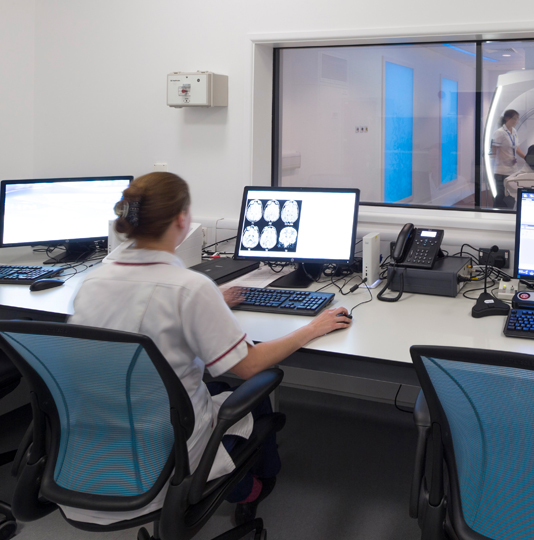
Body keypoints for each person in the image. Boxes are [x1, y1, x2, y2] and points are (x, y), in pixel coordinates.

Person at [65, 172, 352, 526]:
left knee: (218, 386)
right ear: (182, 220)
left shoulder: (93, 281)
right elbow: (248, 366)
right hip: (168, 445)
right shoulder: (189, 288)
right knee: (254, 386)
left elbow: (144, 310)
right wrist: (313, 327)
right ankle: (252, 487)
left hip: (98, 440)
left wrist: (208, 302)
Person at [491, 109, 525, 208]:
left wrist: (526, 157)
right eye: (514, 119)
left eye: (517, 119)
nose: (516, 121)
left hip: (512, 171)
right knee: (502, 197)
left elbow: (516, 148)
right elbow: (493, 151)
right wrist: (502, 160)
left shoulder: (514, 131)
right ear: (507, 118)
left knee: (511, 197)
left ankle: (507, 214)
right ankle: (498, 215)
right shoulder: (499, 133)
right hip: (501, 172)